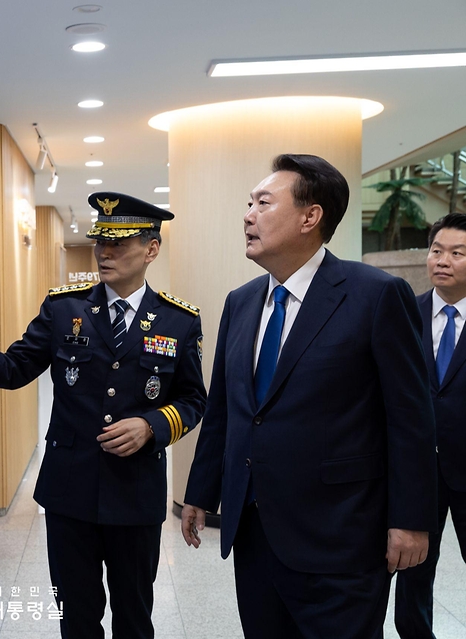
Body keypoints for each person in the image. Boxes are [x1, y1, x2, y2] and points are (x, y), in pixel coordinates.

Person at [0, 192, 207, 639]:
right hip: (70, 493)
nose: (105, 252)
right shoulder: (64, 308)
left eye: (119, 244)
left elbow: (193, 399)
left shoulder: (179, 320)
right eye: (101, 242)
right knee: (76, 619)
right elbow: (13, 368)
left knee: (134, 616)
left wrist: (151, 426)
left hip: (135, 496)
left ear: (151, 249)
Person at [181, 154, 436, 639]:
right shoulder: (241, 302)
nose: (247, 215)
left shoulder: (376, 295)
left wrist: (411, 521)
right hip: (255, 534)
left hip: (340, 538)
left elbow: (411, 417)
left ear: (310, 216)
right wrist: (201, 491)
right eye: (248, 203)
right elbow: (224, 412)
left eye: (262, 202)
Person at [394, 212, 466, 638]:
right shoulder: (404, 314)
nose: (443, 260)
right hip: (415, 472)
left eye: (457, 253)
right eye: (436, 250)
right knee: (413, 572)